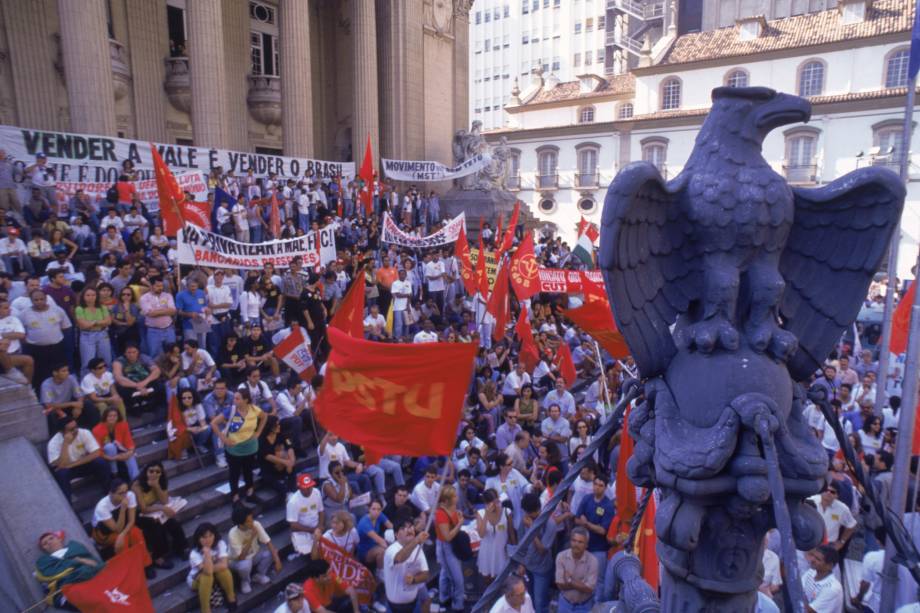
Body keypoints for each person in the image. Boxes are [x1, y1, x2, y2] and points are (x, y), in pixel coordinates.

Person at [210, 388, 267, 503]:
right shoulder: (231, 411)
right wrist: (223, 438)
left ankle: (250, 493)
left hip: (250, 447)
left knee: (248, 471)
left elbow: (264, 417)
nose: (234, 400)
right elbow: (213, 423)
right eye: (234, 398)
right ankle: (235, 498)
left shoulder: (254, 409)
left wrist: (258, 432)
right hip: (234, 448)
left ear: (245, 400)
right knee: (234, 474)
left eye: (237, 398)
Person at [90, 479, 155, 577]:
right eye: (120, 493)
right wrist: (123, 509)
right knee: (124, 540)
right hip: (104, 534)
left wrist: (123, 534)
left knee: (136, 533)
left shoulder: (130, 495)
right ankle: (128, 571)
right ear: (111, 493)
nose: (125, 495)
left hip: (123, 527)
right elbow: (117, 529)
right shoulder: (102, 507)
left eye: (126, 491)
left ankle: (146, 564)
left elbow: (132, 521)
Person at [131, 461, 189, 568]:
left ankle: (181, 547)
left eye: (157, 472)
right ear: (146, 471)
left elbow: (165, 501)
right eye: (151, 471)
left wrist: (156, 486)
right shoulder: (137, 485)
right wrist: (162, 508)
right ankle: (158, 557)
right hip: (139, 514)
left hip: (155, 509)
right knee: (155, 527)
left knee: (173, 523)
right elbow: (143, 508)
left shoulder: (161, 481)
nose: (154, 474)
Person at [48, 418, 110, 501]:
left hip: (81, 464)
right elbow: (61, 466)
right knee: (62, 473)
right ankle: (68, 505)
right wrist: (65, 443)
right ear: (62, 432)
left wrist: (71, 465)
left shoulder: (84, 433)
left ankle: (108, 492)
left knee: (100, 462)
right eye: (71, 429)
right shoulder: (53, 443)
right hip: (68, 470)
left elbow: (96, 453)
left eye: (76, 426)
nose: (76, 430)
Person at [574, 474, 614, 600]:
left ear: (605, 487)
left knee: (598, 580)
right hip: (583, 547)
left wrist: (587, 524)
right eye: (595, 484)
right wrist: (589, 524)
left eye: (600, 485)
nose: (596, 487)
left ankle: (597, 606)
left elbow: (603, 531)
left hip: (599, 549)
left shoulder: (608, 506)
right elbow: (576, 519)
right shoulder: (586, 499)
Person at [228, 504, 282, 594]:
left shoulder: (256, 524)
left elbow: (268, 542)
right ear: (241, 524)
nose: (252, 522)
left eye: (252, 519)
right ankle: (245, 581)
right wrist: (252, 537)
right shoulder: (232, 534)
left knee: (272, 552)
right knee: (245, 564)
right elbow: (241, 557)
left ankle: (259, 575)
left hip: (253, 555)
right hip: (237, 561)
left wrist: (277, 561)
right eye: (249, 521)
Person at [519, 492, 559, 613]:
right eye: (526, 513)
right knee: (529, 599)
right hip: (528, 566)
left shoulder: (550, 524)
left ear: (538, 509)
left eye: (531, 514)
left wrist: (532, 528)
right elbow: (521, 543)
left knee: (540, 603)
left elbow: (542, 550)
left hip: (542, 569)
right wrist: (521, 564)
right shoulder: (525, 519)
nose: (528, 516)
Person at [383, 517, 431, 613]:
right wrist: (417, 540)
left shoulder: (418, 549)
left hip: (414, 604)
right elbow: (400, 558)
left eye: (410, 527)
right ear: (396, 535)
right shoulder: (391, 550)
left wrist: (414, 580)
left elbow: (426, 574)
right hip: (394, 608)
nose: (409, 529)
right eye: (403, 528)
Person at [187, 522, 238, 613]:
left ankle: (231, 598)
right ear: (198, 539)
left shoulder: (220, 544)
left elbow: (224, 565)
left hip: (215, 574)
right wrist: (207, 553)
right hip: (196, 579)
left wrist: (212, 566)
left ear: (215, 535)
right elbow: (208, 572)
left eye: (210, 535)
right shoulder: (194, 553)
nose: (208, 539)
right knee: (207, 576)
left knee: (224, 570)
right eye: (204, 537)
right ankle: (206, 610)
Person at [434, 484, 466, 613]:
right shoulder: (440, 514)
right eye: (454, 496)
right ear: (447, 500)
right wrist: (459, 524)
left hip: (452, 545)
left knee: (445, 572)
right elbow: (447, 537)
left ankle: (444, 597)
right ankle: (458, 605)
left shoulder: (451, 507)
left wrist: (458, 516)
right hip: (446, 547)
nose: (457, 497)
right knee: (457, 579)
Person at [41, 363, 95, 431]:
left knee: (87, 403)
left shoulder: (71, 378)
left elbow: (80, 395)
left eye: (67, 370)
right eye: (64, 371)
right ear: (55, 373)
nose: (67, 373)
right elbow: (48, 405)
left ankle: (93, 429)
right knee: (51, 414)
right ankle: (56, 436)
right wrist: (72, 404)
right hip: (56, 409)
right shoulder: (46, 384)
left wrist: (78, 407)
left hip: (67, 406)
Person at [476, 488, 515, 582]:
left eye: (497, 502)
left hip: (502, 553)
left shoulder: (507, 512)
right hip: (487, 553)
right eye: (491, 503)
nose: (495, 506)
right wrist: (486, 514)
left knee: (504, 580)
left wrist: (513, 554)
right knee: (487, 580)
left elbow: (511, 535)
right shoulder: (480, 513)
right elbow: (481, 534)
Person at [554, 527, 597, 613]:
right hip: (565, 603)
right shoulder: (561, 556)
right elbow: (560, 585)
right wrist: (581, 584)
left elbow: (589, 589)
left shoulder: (593, 561)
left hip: (584, 606)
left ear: (586, 545)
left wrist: (570, 580)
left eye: (580, 542)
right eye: (574, 540)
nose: (576, 544)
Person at [91, 406, 139, 481]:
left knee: (130, 456)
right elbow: (98, 451)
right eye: (110, 416)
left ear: (118, 416)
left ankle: (136, 480)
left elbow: (129, 442)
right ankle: (115, 473)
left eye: (115, 416)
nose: (112, 418)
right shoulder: (96, 430)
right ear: (105, 417)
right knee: (110, 447)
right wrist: (113, 458)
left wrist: (129, 452)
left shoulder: (123, 425)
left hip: (120, 449)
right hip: (106, 455)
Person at [288, 472, 325, 556]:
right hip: (302, 531)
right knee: (310, 554)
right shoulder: (293, 501)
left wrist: (320, 525)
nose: (309, 489)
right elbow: (293, 525)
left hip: (317, 527)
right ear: (299, 487)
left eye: (310, 486)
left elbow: (321, 511)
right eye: (306, 488)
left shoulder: (316, 492)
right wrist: (311, 530)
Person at [259, 414, 296, 496]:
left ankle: (293, 490)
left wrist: (292, 461)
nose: (279, 426)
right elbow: (266, 455)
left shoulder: (282, 434)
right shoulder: (261, 440)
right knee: (280, 488)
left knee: (292, 468)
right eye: (277, 425)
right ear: (270, 427)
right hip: (269, 469)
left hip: (282, 465)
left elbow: (289, 446)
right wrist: (285, 462)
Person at [801, 545, 843, 613]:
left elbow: (810, 611)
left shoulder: (832, 588)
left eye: (818, 559)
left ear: (829, 566)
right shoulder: (811, 572)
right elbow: (798, 589)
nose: (812, 560)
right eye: (813, 556)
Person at [357, 498, 392, 569]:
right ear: (369, 509)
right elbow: (379, 540)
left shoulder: (380, 515)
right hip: (365, 551)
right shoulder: (365, 523)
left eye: (379, 509)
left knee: (390, 543)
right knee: (383, 551)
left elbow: (391, 527)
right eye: (373, 509)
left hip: (375, 544)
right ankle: (380, 573)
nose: (376, 512)